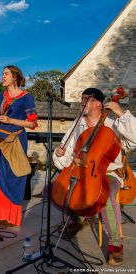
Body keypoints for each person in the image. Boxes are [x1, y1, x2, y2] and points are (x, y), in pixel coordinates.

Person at [53, 87, 136, 266]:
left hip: (109, 173)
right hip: (83, 170)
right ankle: (79, 217)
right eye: (82, 99)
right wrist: (60, 153)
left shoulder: (113, 122)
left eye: (87, 99)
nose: (83, 102)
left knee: (105, 195)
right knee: (58, 188)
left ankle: (115, 245)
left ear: (99, 103)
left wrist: (120, 112)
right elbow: (67, 150)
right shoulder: (78, 123)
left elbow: (134, 138)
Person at [0, 65, 38, 227]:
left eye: (6, 74)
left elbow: (33, 123)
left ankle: (12, 217)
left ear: (15, 77)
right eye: (2, 74)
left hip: (14, 140)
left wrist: (11, 121)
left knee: (13, 176)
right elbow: (0, 116)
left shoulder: (26, 97)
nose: (3, 76)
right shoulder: (2, 95)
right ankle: (0, 214)